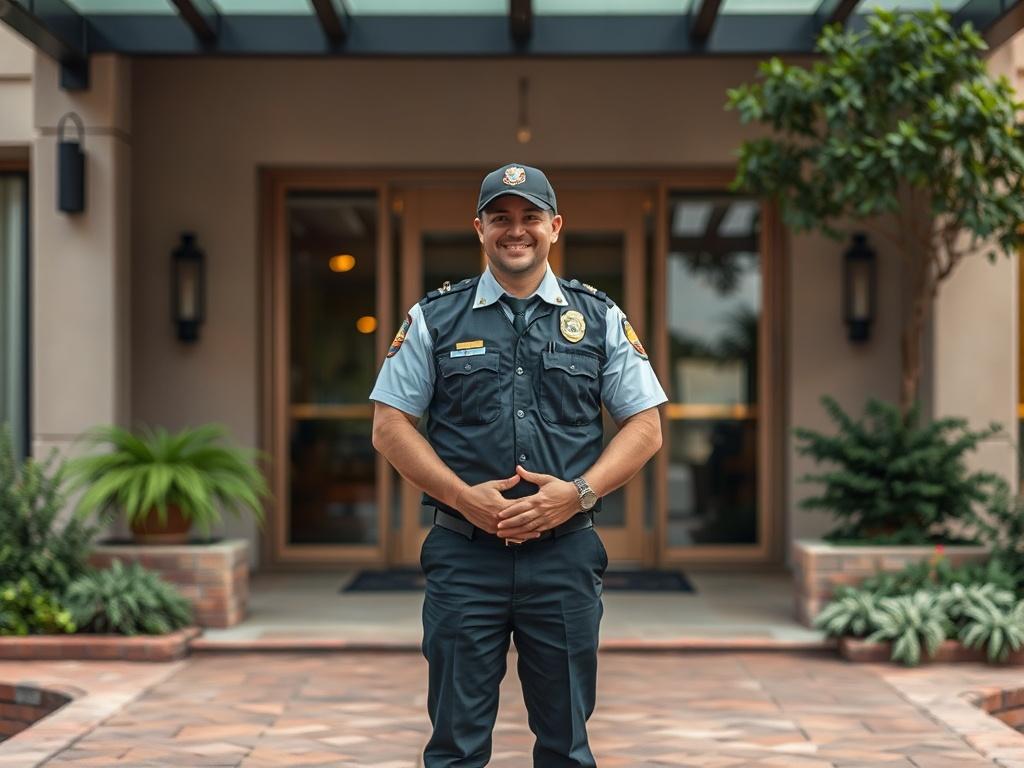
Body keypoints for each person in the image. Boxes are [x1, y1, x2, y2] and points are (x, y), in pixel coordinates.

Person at [369, 163, 667, 767]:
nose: (516, 230)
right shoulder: (434, 319)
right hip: (465, 557)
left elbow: (646, 427)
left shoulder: (600, 317)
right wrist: (462, 497)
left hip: (563, 556)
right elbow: (389, 426)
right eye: (500, 218)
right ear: (478, 228)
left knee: (565, 746)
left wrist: (576, 494)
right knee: (454, 746)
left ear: (554, 226)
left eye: (530, 217)